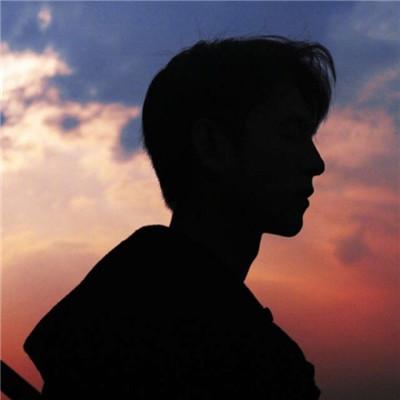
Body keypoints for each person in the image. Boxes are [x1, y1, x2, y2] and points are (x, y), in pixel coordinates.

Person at [24, 35, 335, 399]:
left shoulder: (112, 311)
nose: (315, 162)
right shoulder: (238, 358)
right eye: (291, 134)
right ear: (212, 146)